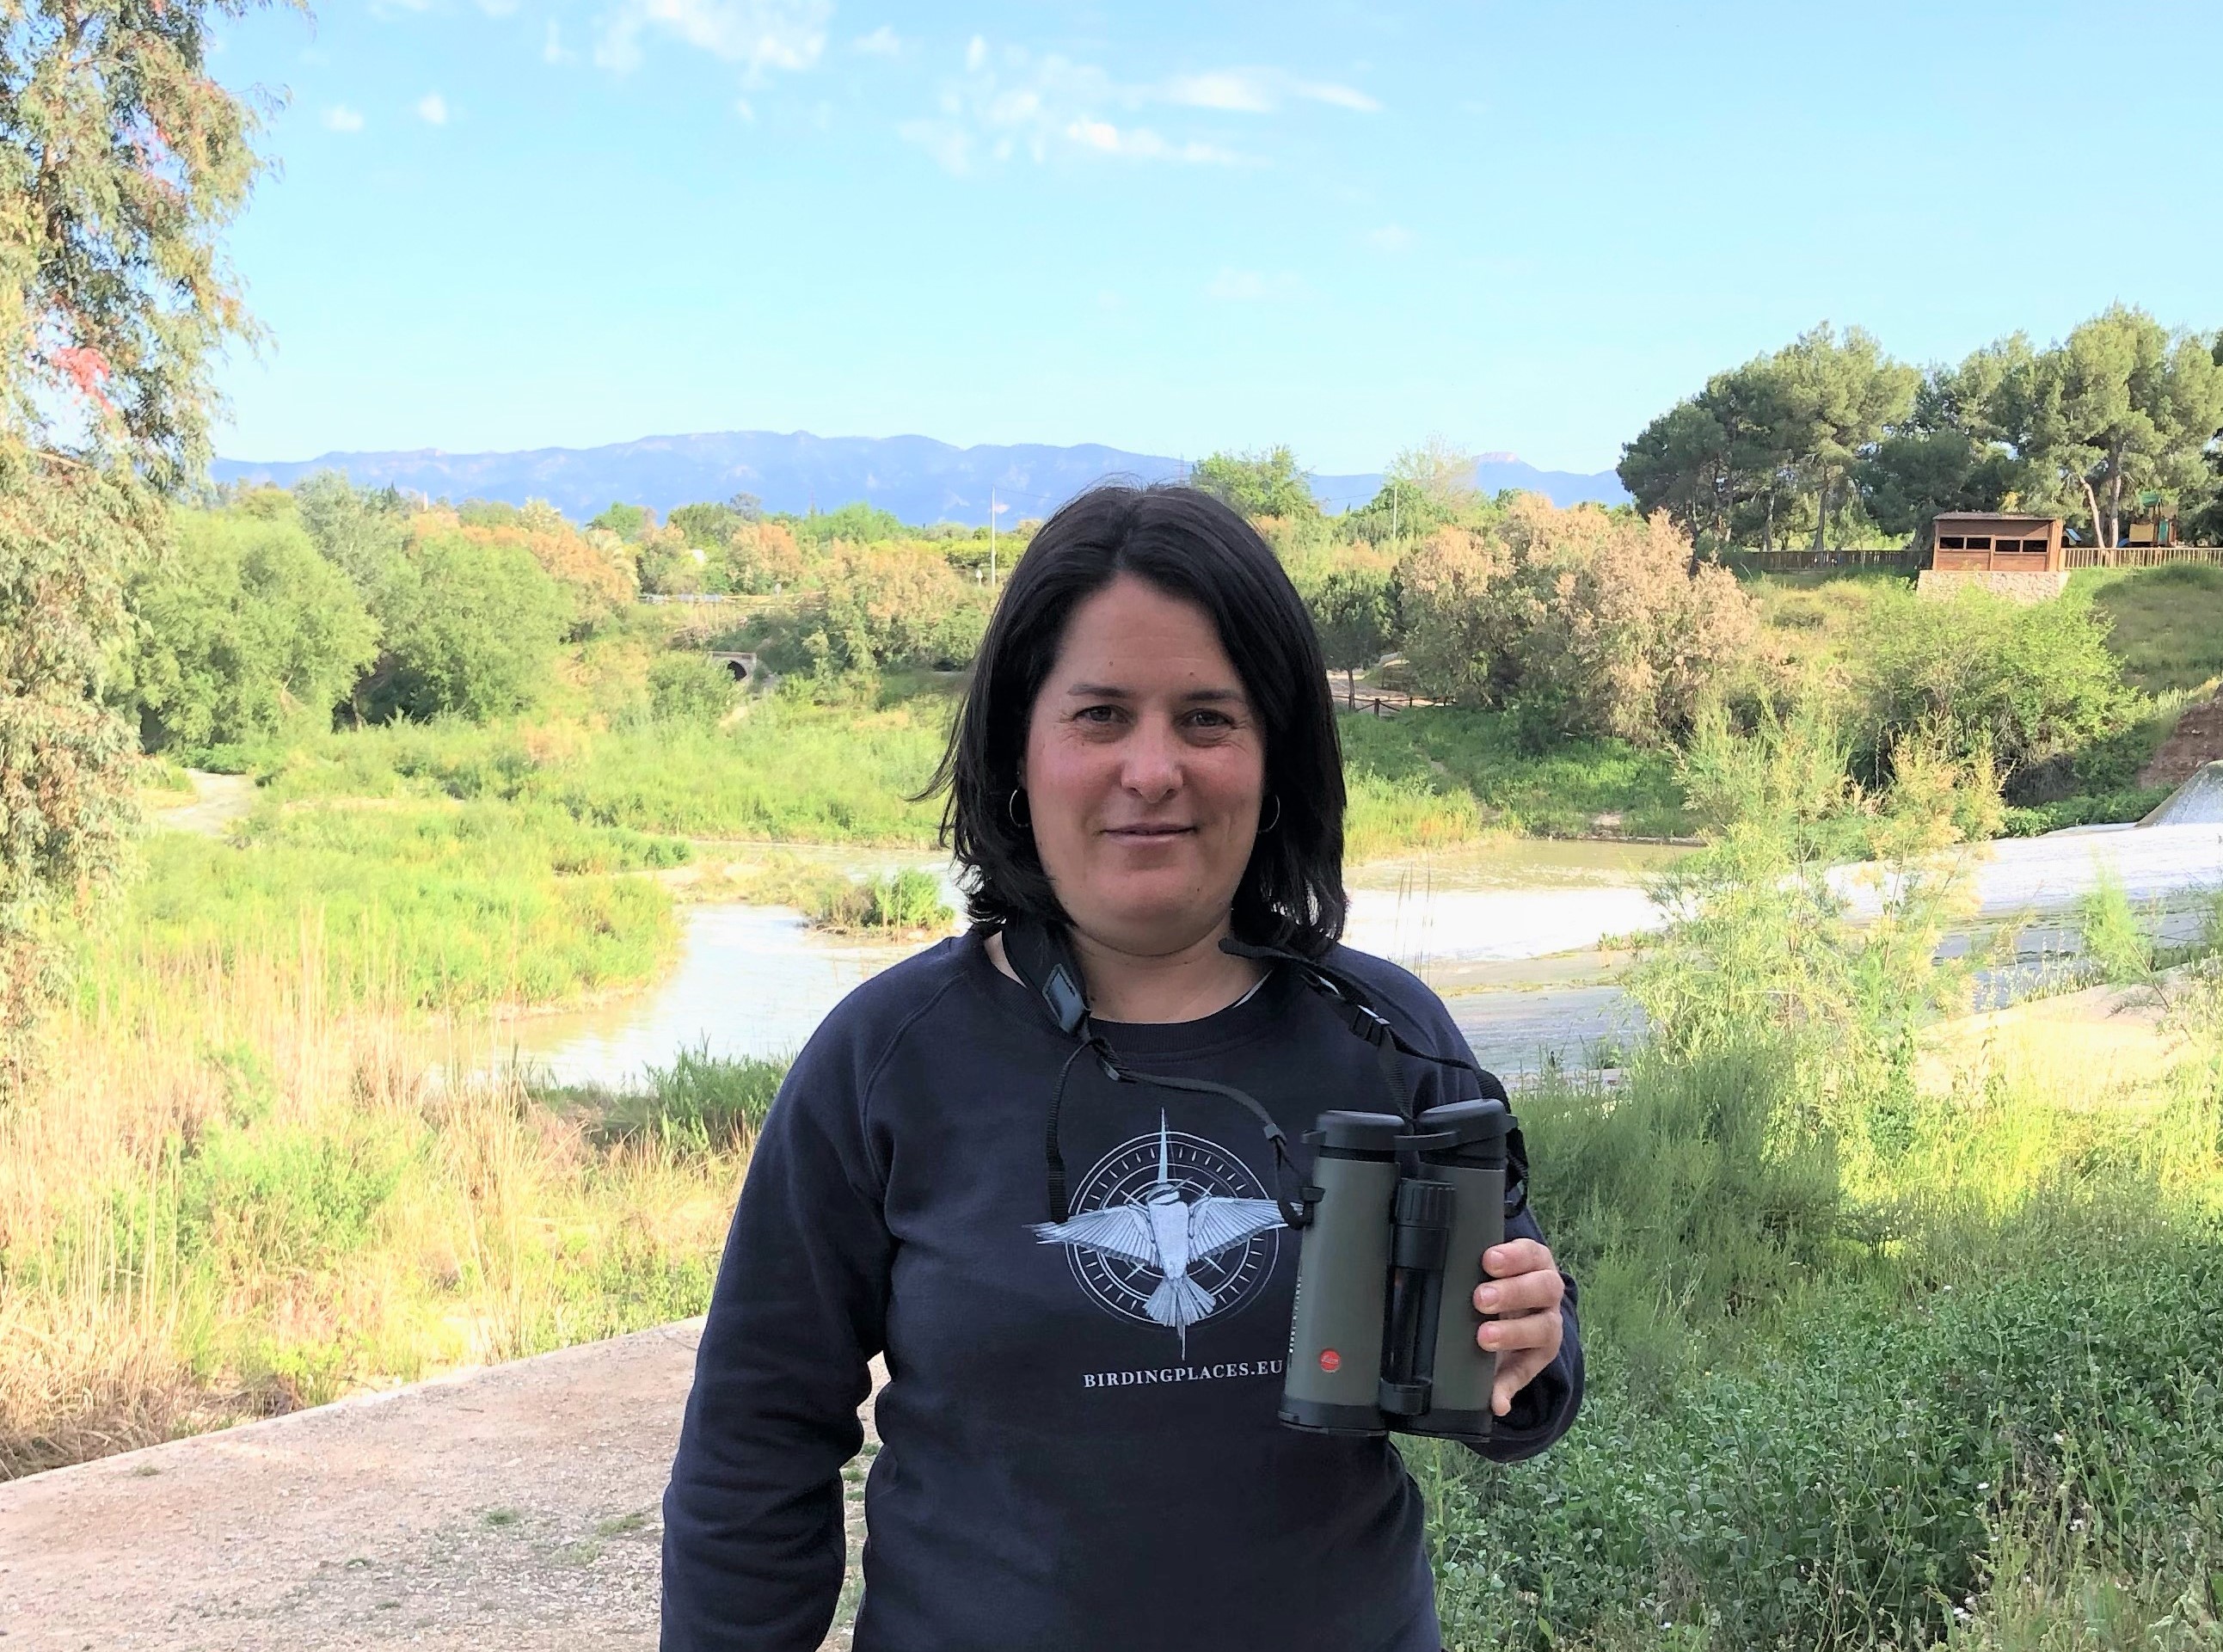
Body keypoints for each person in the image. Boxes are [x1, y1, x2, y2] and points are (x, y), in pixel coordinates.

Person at [661, 483, 1582, 1652]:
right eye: (1100, 715)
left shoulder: (1387, 1033)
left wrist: (1525, 1347)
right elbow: (755, 1441)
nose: (1152, 769)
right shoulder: (884, 1058)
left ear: (1276, 757)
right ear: (1019, 749)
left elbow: (1518, 1388)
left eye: (1206, 718)